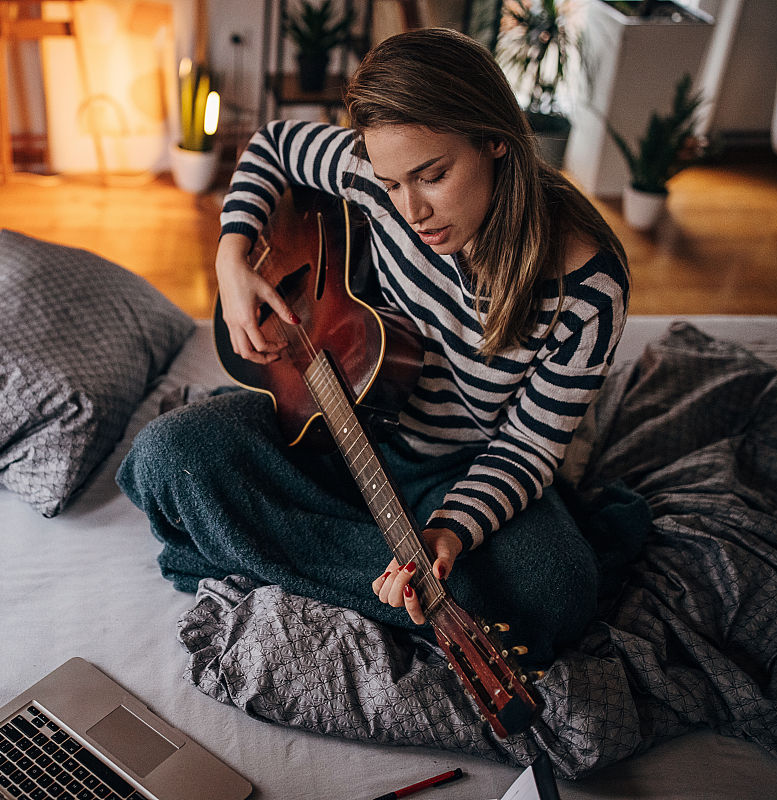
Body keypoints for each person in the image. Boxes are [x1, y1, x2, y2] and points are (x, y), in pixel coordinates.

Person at [118, 27, 628, 666]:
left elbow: (527, 450)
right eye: (391, 184)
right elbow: (273, 145)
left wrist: (446, 533)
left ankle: (266, 553)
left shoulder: (589, 289)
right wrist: (231, 251)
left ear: (497, 138)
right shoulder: (370, 170)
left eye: (433, 176)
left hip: (460, 470)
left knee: (557, 592)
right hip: (331, 426)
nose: (411, 209)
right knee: (167, 454)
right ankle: (401, 591)